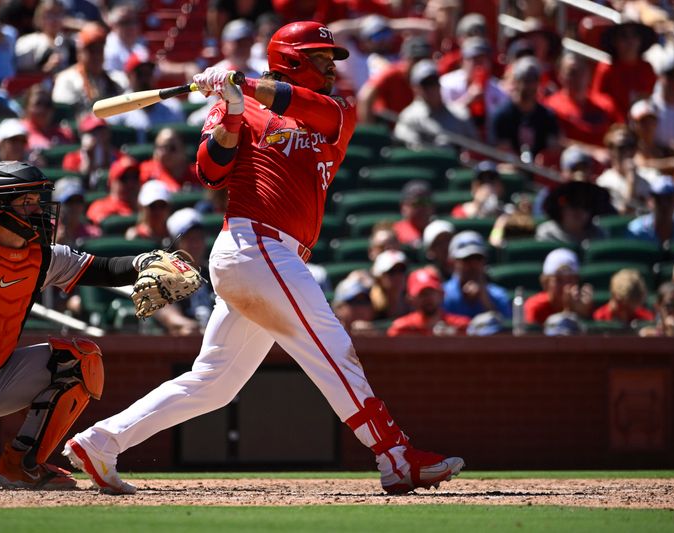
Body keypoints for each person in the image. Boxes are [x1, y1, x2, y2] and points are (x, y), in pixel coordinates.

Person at [63, 21, 464, 496]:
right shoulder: (244, 108)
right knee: (334, 351)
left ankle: (101, 441)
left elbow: (304, 105)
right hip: (255, 245)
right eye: (320, 57)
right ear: (291, 59)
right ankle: (395, 457)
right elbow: (210, 172)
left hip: (268, 257)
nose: (331, 67)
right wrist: (232, 112)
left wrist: (243, 85)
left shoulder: (334, 110)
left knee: (214, 383)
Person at [0, 161, 155, 490]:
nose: (37, 209)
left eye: (37, 200)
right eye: (27, 202)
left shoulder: (42, 255)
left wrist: (145, 261)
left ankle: (20, 466)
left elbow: (101, 268)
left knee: (81, 361)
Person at [152, 208, 216, 335]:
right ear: (176, 245)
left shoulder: (213, 273)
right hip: (180, 347)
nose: (196, 244)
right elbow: (170, 317)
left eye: (199, 238)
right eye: (190, 239)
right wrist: (190, 326)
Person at [393, 58, 478, 151]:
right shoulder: (409, 117)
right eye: (426, 84)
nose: (431, 89)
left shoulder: (460, 113)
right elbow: (409, 153)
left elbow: (474, 148)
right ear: (415, 88)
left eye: (434, 82)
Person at [490, 56, 561, 161]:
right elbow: (502, 151)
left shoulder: (547, 116)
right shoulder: (502, 114)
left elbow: (553, 148)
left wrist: (544, 158)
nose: (530, 85)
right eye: (526, 79)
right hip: (510, 170)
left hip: (539, 171)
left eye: (534, 79)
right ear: (517, 81)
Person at [105, 52, 185, 142]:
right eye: (140, 74)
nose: (145, 79)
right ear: (129, 76)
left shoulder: (172, 107)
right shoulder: (117, 106)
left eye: (148, 73)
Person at [52, 22, 127, 114]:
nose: (96, 55)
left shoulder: (116, 79)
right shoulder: (67, 79)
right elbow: (64, 115)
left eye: (99, 50)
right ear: (79, 53)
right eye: (91, 50)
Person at [442, 230, 511, 319]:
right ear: (452, 262)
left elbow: (508, 329)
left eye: (478, 258)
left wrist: (486, 300)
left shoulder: (499, 296)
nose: (473, 265)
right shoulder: (441, 296)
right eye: (466, 259)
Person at [387, 267, 469, 336]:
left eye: (431, 292)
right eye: (421, 294)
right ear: (411, 299)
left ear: (442, 294)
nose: (427, 298)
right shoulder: (401, 329)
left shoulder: (461, 326)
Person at [524, 248, 593, 326]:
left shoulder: (586, 305)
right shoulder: (535, 307)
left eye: (570, 280)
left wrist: (582, 314)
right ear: (545, 282)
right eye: (559, 280)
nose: (566, 286)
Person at [595, 125, 652, 215]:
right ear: (610, 150)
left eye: (631, 146)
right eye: (621, 148)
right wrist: (631, 181)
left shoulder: (651, 176)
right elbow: (624, 215)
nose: (627, 152)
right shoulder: (604, 183)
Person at [626, 175, 674, 243]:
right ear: (650, 202)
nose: (664, 205)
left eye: (669, 199)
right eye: (659, 199)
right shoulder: (636, 232)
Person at [85, 155, 141, 226]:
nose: (130, 183)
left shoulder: (150, 208)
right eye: (124, 178)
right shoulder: (100, 207)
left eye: (135, 177)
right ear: (111, 183)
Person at [138, 127, 198, 191]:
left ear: (183, 149)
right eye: (161, 148)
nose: (165, 153)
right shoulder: (146, 171)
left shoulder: (197, 173)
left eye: (172, 148)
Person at [124, 180, 174, 244]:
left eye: (162, 205)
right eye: (152, 206)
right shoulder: (135, 236)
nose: (158, 211)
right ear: (142, 207)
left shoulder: (174, 235)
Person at [369, 249, 410, 320]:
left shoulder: (414, 304)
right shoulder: (369, 307)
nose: (398, 277)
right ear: (379, 278)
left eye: (401, 270)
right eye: (392, 272)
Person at [331, 270, 376, 334]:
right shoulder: (328, 335)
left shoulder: (380, 334)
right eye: (355, 302)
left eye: (365, 302)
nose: (361, 308)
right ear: (339, 308)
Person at [392, 180, 434, 248]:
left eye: (425, 202)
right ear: (403, 206)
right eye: (415, 204)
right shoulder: (394, 233)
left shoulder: (440, 232)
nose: (421, 208)